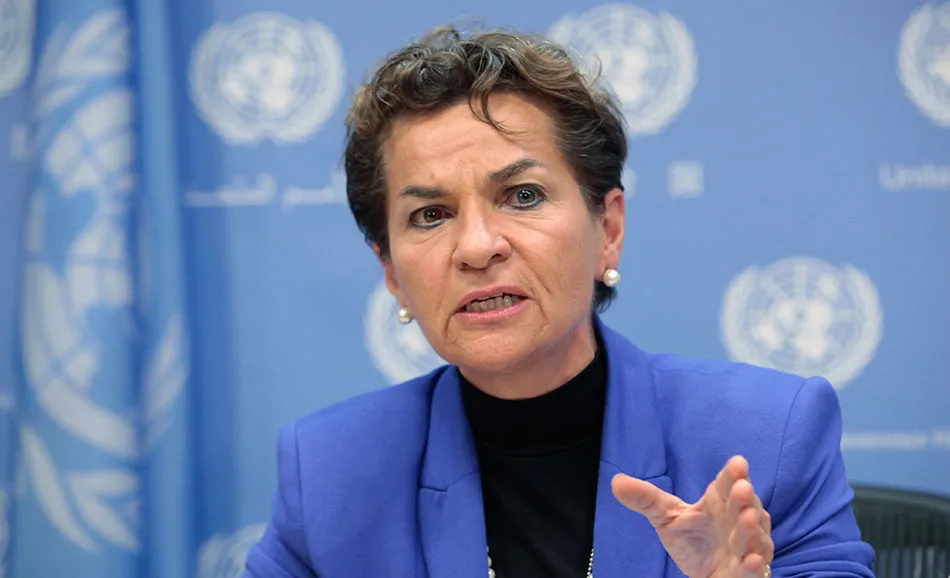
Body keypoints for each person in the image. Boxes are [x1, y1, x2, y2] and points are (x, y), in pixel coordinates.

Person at [243, 25, 875, 578]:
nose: (477, 247)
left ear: (609, 228)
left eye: (522, 196)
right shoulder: (330, 472)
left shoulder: (769, 435)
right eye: (430, 214)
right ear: (390, 270)